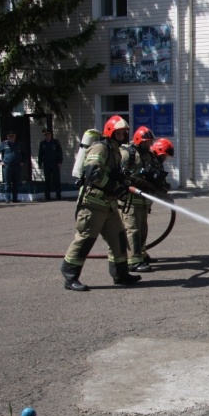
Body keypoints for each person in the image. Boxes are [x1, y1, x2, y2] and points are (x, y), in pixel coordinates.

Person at [60, 115, 142, 291]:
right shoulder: (100, 148)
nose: (121, 137)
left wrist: (123, 183)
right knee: (84, 240)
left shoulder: (116, 151)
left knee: (119, 239)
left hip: (109, 204)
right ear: (110, 133)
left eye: (123, 134)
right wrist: (114, 188)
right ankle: (70, 276)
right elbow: (94, 173)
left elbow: (114, 174)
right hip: (93, 204)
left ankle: (120, 274)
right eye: (118, 134)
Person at [120, 126, 158, 272]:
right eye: (145, 142)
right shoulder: (128, 154)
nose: (148, 145)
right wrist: (141, 182)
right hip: (129, 199)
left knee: (142, 229)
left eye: (149, 142)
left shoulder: (149, 155)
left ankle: (141, 255)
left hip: (142, 200)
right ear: (137, 140)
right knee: (132, 230)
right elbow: (121, 175)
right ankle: (133, 261)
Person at [0, 130, 25, 203]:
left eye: (12, 136)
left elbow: (24, 154)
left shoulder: (19, 144)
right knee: (7, 183)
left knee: (16, 183)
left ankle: (15, 198)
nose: (11, 137)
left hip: (17, 166)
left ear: (15, 136)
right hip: (7, 166)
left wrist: (23, 161)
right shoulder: (4, 144)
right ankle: (7, 199)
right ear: (7, 136)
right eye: (9, 136)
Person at [38, 128, 63, 200]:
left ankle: (58, 196)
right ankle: (47, 196)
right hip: (46, 164)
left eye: (48, 134)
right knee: (47, 181)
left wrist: (60, 162)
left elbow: (60, 153)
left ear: (51, 135)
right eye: (45, 135)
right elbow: (40, 154)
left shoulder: (55, 142)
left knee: (56, 180)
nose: (47, 136)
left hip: (55, 164)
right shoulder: (42, 144)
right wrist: (40, 163)